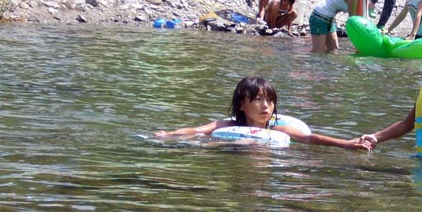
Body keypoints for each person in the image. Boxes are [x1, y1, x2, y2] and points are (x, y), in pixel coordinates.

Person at [154, 77, 372, 151]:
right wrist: (170, 134)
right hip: (232, 151)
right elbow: (197, 130)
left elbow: (308, 138)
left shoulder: (276, 128)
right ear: (241, 105)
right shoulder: (228, 125)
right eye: (258, 100)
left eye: (269, 101)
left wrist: (345, 144)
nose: (265, 106)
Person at [309, 0, 385, 53]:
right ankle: (301, 58)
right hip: (319, 17)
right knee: (318, 52)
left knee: (333, 51)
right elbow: (353, 23)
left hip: (330, 19)